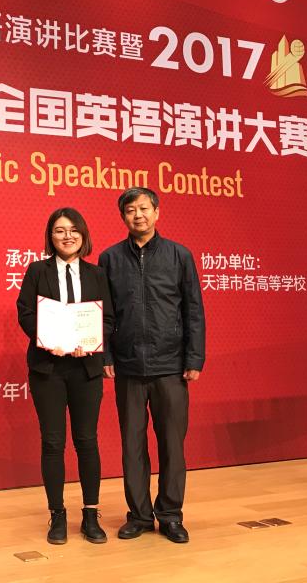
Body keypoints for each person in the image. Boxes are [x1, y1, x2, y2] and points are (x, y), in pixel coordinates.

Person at [99, 187, 205, 544]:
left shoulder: (179, 255)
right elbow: (105, 314)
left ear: (157, 212)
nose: (138, 215)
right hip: (128, 366)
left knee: (172, 445)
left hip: (170, 366)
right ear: (123, 217)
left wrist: (194, 358)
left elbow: (193, 311)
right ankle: (140, 516)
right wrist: (106, 355)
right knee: (132, 446)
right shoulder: (110, 259)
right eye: (130, 210)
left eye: (144, 208)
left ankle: (171, 515)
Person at [17, 207, 114, 545]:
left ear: (83, 235)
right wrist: (47, 340)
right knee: (52, 442)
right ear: (51, 236)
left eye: (73, 230)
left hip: (86, 368)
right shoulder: (36, 271)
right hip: (48, 368)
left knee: (87, 440)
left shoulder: (97, 274)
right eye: (59, 230)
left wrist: (91, 342)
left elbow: (109, 319)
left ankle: (90, 514)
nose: (67, 236)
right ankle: (57, 515)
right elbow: (25, 313)